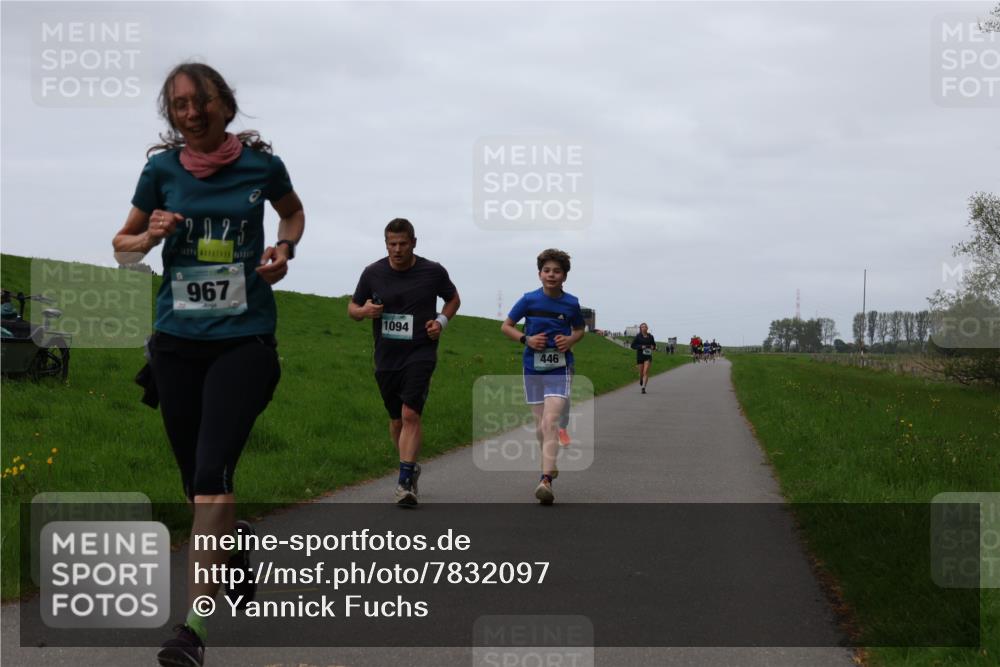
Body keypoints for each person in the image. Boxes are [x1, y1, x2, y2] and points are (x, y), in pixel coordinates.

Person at [112, 63, 304, 667]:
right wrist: (148, 239)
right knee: (196, 479)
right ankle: (236, 553)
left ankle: (191, 629)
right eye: (178, 105)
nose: (190, 112)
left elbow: (292, 214)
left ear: (226, 103)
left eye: (201, 101)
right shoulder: (160, 171)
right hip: (175, 343)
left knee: (209, 475)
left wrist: (284, 248)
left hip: (244, 342)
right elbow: (122, 244)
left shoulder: (262, 166)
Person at [349, 218, 460, 506]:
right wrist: (364, 310)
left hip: (420, 352)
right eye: (391, 244)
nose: (397, 249)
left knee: (411, 414)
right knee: (396, 419)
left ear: (413, 242)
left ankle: (404, 483)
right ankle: (409, 465)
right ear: (386, 244)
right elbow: (352, 308)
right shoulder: (372, 273)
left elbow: (453, 298)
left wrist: (441, 322)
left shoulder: (432, 271)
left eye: (402, 243)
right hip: (386, 357)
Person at [501, 249, 586, 505]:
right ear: (540, 274)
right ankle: (549, 463)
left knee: (550, 422)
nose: (551, 275)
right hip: (532, 368)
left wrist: (570, 339)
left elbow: (580, 329)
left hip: (559, 369)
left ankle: (545, 480)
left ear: (564, 276)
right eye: (547, 270)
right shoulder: (528, 300)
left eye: (557, 271)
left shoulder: (571, 303)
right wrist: (526, 339)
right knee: (540, 427)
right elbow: (506, 326)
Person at [630, 322, 656, 393]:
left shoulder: (651, 337)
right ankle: (641, 378)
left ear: (647, 328)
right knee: (641, 373)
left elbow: (654, 345)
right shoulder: (638, 336)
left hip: (648, 356)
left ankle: (643, 387)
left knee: (646, 371)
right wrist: (641, 347)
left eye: (645, 327)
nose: (644, 328)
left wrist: (653, 347)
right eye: (642, 327)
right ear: (640, 329)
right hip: (640, 356)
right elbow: (632, 346)